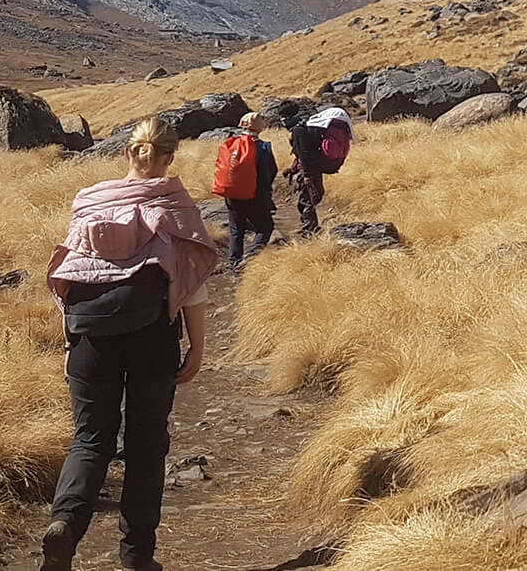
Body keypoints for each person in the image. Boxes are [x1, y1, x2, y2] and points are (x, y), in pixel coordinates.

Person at [41, 117, 219, 571]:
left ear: (127, 153)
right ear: (169, 157)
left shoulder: (90, 200)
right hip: (151, 336)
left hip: (88, 337)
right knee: (145, 444)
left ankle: (64, 523)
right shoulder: (174, 203)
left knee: (90, 440)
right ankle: (137, 558)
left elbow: (71, 268)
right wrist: (197, 348)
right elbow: (191, 286)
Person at [211, 111, 278, 267]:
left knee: (236, 229)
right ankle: (251, 256)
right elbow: (271, 171)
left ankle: (234, 263)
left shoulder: (231, 144)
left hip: (232, 195)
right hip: (256, 196)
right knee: (265, 227)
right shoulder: (263, 147)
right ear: (258, 127)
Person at [282, 104, 352, 238]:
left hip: (309, 169)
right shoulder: (310, 128)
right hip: (316, 166)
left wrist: (307, 174)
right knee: (312, 196)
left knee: (306, 198)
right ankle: (311, 227)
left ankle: (309, 230)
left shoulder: (298, 131)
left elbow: (303, 154)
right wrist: (293, 169)